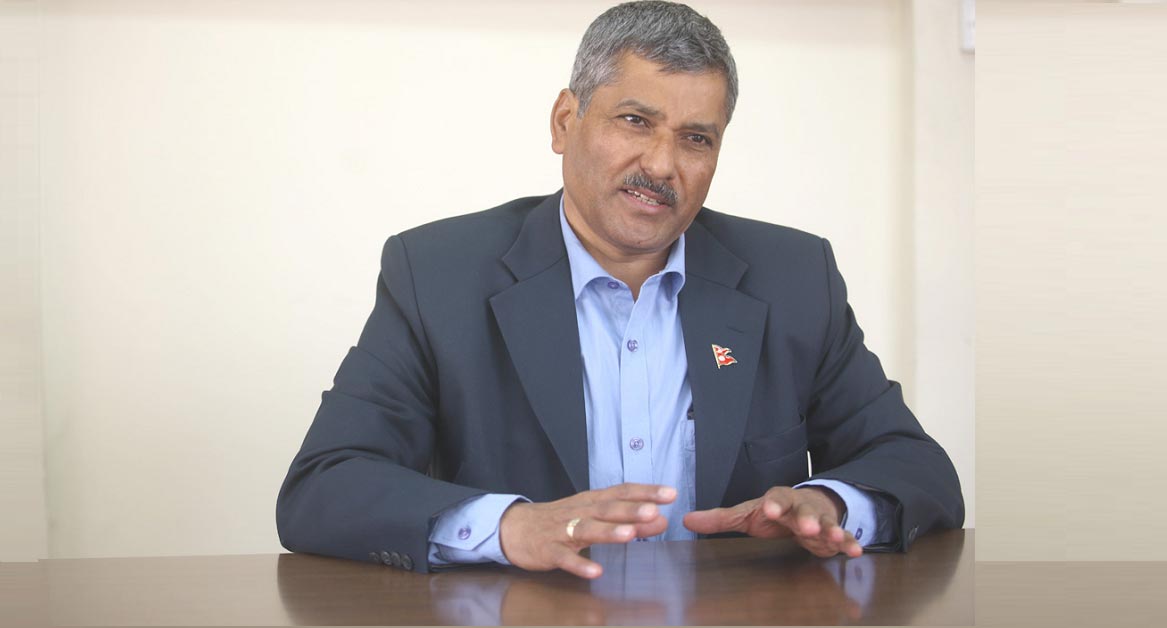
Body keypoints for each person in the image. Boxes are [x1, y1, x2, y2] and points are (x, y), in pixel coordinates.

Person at [277, 0, 964, 579]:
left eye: (696, 139)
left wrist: (832, 505)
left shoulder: (793, 277)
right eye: (635, 121)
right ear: (564, 122)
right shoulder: (437, 273)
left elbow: (919, 469)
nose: (661, 165)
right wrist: (509, 527)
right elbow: (323, 486)